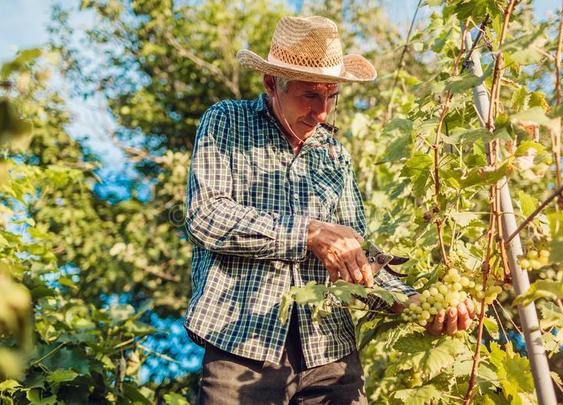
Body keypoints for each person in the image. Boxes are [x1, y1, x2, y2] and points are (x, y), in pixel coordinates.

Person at [183, 15, 474, 405]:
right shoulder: (227, 122)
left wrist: (412, 301)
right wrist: (308, 232)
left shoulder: (334, 155)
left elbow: (357, 257)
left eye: (331, 97)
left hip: (330, 354)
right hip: (242, 344)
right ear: (272, 83)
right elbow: (207, 217)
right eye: (310, 96)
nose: (321, 113)